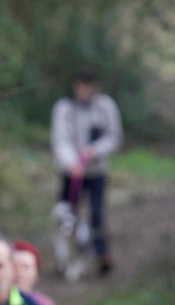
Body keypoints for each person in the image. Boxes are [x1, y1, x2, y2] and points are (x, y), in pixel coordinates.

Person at [50, 69, 122, 275]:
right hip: (71, 174)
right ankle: (64, 259)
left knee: (97, 214)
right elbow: (60, 139)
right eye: (80, 86)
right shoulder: (64, 108)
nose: (83, 91)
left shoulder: (105, 107)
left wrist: (93, 151)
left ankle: (101, 253)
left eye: (87, 87)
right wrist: (72, 163)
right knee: (66, 215)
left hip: (96, 172)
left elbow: (113, 137)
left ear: (94, 87)